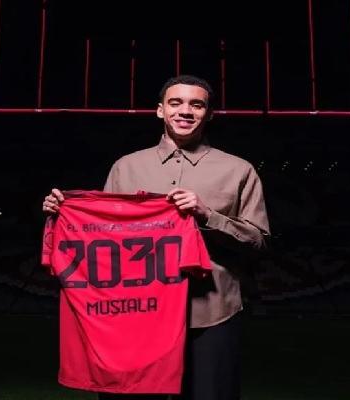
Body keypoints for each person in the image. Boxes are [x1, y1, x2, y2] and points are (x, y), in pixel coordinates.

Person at [42, 74, 271, 400]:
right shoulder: (126, 167)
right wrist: (64, 212)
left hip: (210, 313)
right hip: (137, 314)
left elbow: (259, 242)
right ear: (161, 110)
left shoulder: (238, 170)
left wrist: (208, 216)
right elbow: (102, 237)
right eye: (176, 103)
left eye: (196, 105)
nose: (185, 111)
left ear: (209, 114)